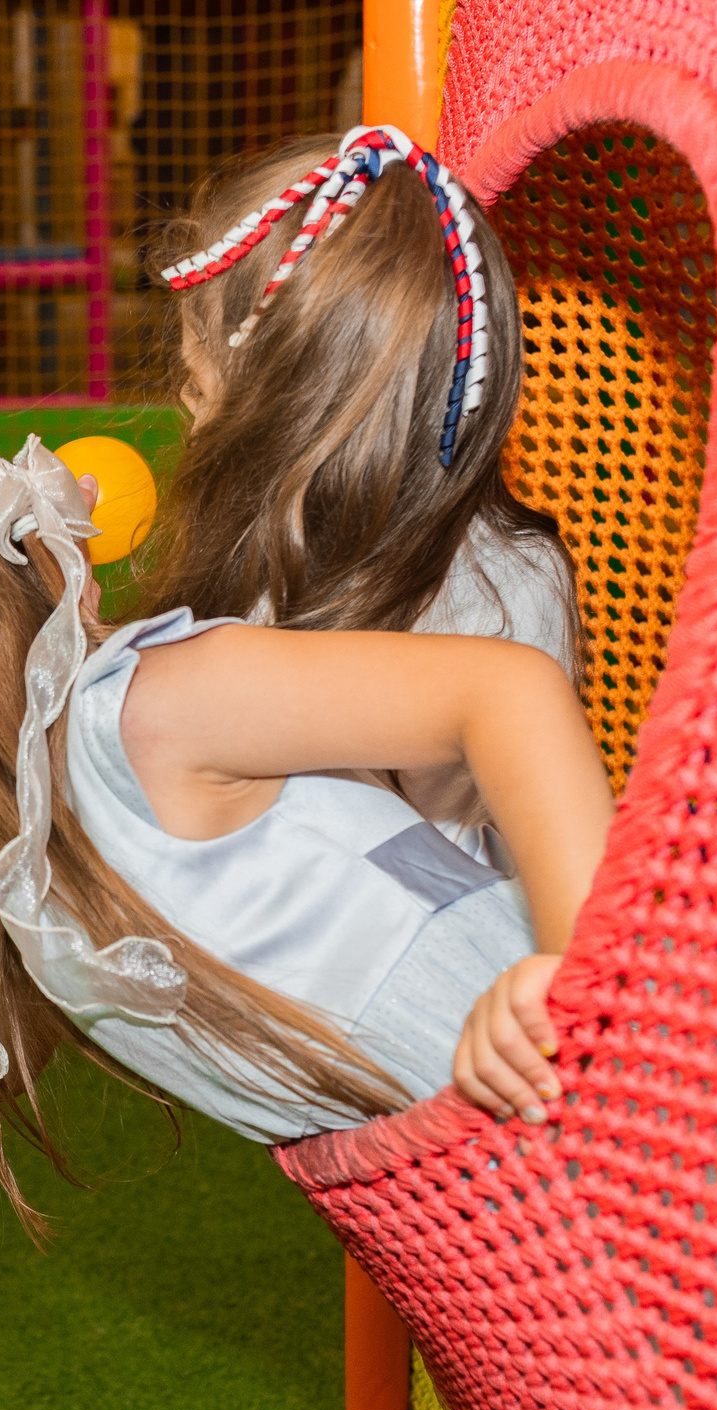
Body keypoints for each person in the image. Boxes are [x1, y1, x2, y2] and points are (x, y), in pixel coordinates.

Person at [0, 427, 615, 1226]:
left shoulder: (144, 716)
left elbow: (502, 690)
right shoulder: (27, 859)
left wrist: (575, 980)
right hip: (502, 1191)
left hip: (609, 1102)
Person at [141, 125, 580, 870]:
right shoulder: (281, 540)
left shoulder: (489, 596)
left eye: (199, 387)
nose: (191, 415)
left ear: (292, 417)